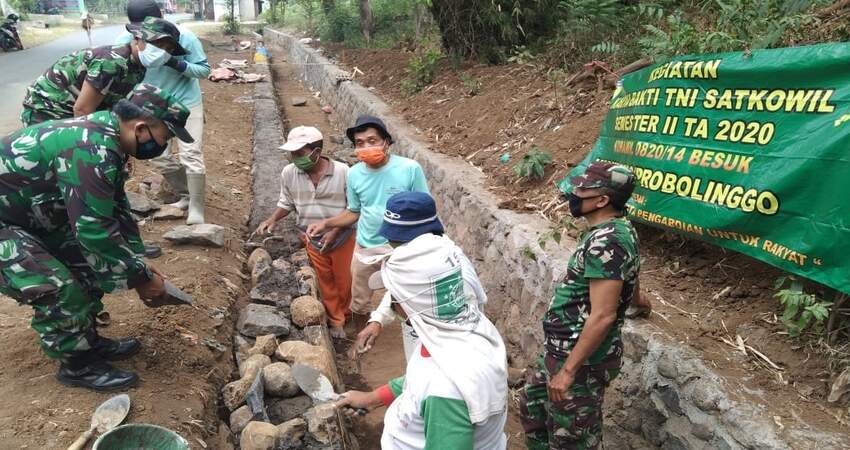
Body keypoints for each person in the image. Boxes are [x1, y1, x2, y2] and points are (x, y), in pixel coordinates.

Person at [0, 83, 194, 391]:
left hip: (23, 213)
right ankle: (77, 366)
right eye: (165, 137)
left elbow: (115, 207)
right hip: (8, 223)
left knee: (86, 266)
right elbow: (93, 230)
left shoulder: (109, 137)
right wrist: (140, 278)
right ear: (141, 128)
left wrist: (137, 261)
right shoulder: (91, 149)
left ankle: (87, 342)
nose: (164, 145)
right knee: (57, 285)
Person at [335, 218, 508, 449]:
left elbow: (436, 390)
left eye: (393, 296)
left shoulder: (445, 391)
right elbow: (418, 381)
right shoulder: (465, 332)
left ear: (407, 305)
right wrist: (373, 399)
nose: (391, 303)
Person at [519, 161, 652, 449]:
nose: (574, 194)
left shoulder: (609, 241)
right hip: (560, 349)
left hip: (581, 362)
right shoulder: (610, 230)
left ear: (603, 200)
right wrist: (639, 301)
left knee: (573, 437)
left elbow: (603, 315)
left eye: (583, 190)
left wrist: (568, 372)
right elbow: (625, 274)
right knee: (533, 408)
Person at [306, 115, 429, 331]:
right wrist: (327, 224)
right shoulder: (354, 174)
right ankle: (361, 332)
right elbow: (354, 211)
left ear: (386, 142)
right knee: (360, 295)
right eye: (360, 143)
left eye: (372, 141)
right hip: (367, 245)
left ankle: (413, 332)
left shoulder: (409, 169)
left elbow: (424, 207)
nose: (366, 147)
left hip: (402, 246)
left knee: (407, 292)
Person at [349, 191, 487, 361]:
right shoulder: (420, 260)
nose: (391, 243)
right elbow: (401, 291)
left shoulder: (457, 283)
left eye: (398, 238)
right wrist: (377, 320)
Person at [116, 0, 212, 225]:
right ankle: (187, 194)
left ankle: (197, 207)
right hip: (149, 105)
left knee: (191, 154)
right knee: (157, 155)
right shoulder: (125, 42)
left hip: (185, 102)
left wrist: (173, 62)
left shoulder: (184, 38)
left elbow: (204, 70)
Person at [255, 126, 355, 339]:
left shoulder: (344, 172)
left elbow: (353, 208)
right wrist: (272, 219)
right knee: (325, 280)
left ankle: (346, 312)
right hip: (312, 238)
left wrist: (334, 230)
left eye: (299, 153)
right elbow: (287, 202)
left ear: (316, 152)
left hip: (343, 236)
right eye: (292, 154)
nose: (294, 158)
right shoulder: (289, 173)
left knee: (345, 280)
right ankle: (337, 320)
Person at [20, 16, 186, 127]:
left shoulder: (138, 68)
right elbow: (82, 111)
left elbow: (110, 105)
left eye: (169, 49)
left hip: (71, 111)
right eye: (157, 44)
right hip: (47, 110)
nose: (163, 52)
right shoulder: (112, 63)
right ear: (137, 39)